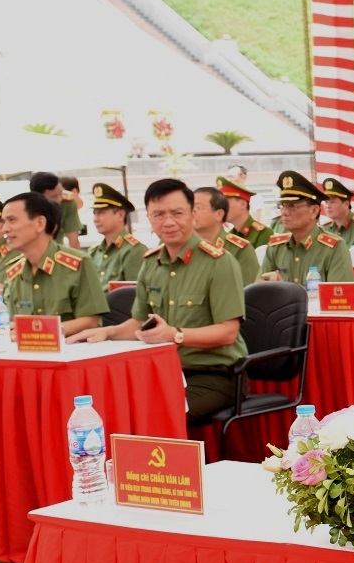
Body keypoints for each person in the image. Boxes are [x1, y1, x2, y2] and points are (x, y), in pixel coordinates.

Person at [69, 180, 246, 420]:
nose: (168, 222)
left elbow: (227, 333)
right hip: (163, 372)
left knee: (157, 414)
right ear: (149, 219)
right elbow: (138, 322)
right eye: (159, 214)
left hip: (214, 375)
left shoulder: (219, 262)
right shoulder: (151, 263)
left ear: (193, 215)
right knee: (113, 407)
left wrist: (175, 335)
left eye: (177, 213)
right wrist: (107, 333)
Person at [0, 192, 108, 328]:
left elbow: (91, 321)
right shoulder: (13, 271)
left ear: (39, 223)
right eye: (4, 222)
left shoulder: (77, 264)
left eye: (12, 220)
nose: (5, 229)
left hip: (69, 341)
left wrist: (40, 331)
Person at [259, 170, 354, 284]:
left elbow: (340, 293)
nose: (284, 212)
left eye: (292, 206)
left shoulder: (334, 248)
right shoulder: (275, 247)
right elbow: (259, 287)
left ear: (314, 211)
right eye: (283, 206)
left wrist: (285, 289)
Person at [192, 185, 260, 285]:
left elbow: (249, 291)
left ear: (219, 214)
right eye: (190, 207)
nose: (192, 212)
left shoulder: (239, 250)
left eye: (198, 208)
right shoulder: (183, 247)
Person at [90, 183, 148, 282]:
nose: (95, 219)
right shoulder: (94, 252)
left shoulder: (134, 250)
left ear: (120, 215)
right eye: (95, 214)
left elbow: (134, 289)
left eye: (101, 213)